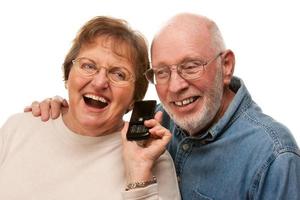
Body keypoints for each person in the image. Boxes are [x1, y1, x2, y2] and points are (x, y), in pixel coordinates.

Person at [25, 13, 300, 200]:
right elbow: (101, 114)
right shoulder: (158, 118)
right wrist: (63, 114)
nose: (175, 86)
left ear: (225, 65)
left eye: (191, 66)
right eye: (162, 72)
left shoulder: (275, 156)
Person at [0, 16, 181, 200]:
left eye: (118, 74)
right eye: (88, 66)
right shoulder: (17, 129)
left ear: (134, 98)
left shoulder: (152, 159)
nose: (99, 82)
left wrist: (139, 177)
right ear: (68, 74)